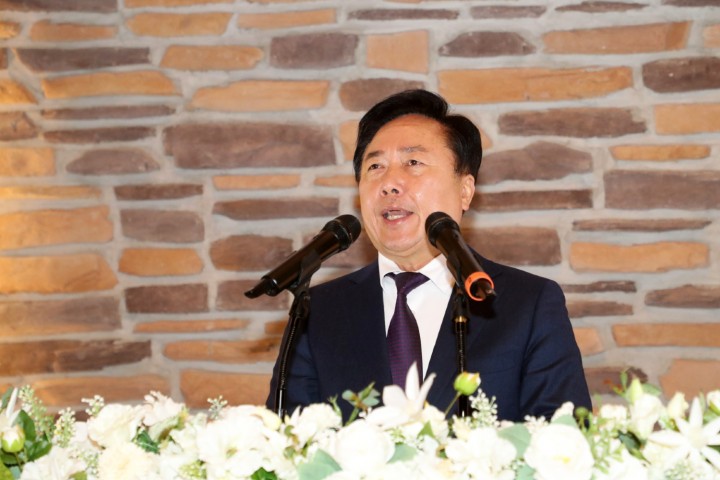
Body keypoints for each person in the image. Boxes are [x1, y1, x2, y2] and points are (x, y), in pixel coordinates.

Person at [267, 89, 591, 421]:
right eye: (375, 166)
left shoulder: (528, 304)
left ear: (465, 190)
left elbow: (565, 435)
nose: (390, 183)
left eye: (413, 163)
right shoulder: (318, 312)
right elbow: (288, 439)